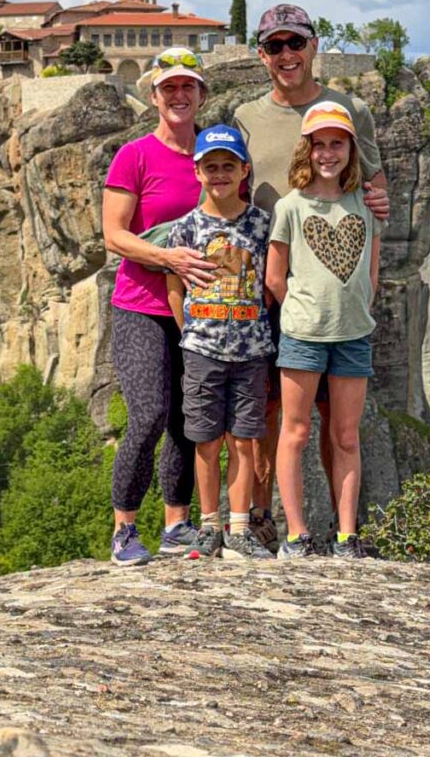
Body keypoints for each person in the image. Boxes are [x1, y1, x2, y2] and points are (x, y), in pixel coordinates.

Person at [233, 4, 389, 549]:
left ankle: (341, 530)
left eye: (294, 43)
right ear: (262, 55)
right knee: (267, 410)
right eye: (274, 46)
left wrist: (380, 202)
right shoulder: (246, 115)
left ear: (313, 45)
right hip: (270, 279)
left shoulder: (350, 109)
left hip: (338, 289)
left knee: (335, 420)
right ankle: (263, 521)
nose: (286, 55)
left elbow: (374, 182)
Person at [102, 47, 217, 566]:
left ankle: (176, 525)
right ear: (153, 97)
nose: (178, 95)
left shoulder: (214, 155)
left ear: (201, 95)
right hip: (139, 306)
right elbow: (113, 235)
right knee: (148, 415)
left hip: (202, 310)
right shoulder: (135, 156)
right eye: (169, 87)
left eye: (187, 86)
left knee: (187, 422)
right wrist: (165, 257)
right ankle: (125, 528)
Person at [266, 101, 381, 558]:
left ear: (351, 149)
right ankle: (296, 534)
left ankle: (347, 534)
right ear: (307, 150)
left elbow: (372, 270)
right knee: (294, 432)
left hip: (353, 335)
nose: (328, 154)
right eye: (320, 145)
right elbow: (275, 276)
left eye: (337, 144)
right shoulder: (291, 206)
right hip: (303, 335)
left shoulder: (364, 204)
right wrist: (302, 310)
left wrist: (358, 307)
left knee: (346, 436)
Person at [166, 125, 275, 561]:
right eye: (210, 167)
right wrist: (192, 333)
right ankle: (209, 526)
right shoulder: (186, 228)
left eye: (228, 166)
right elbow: (175, 288)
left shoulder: (262, 224)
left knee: (244, 442)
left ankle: (240, 527)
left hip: (251, 352)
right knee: (206, 442)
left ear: (244, 170)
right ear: (197, 172)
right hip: (202, 351)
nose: (219, 174)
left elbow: (268, 283)